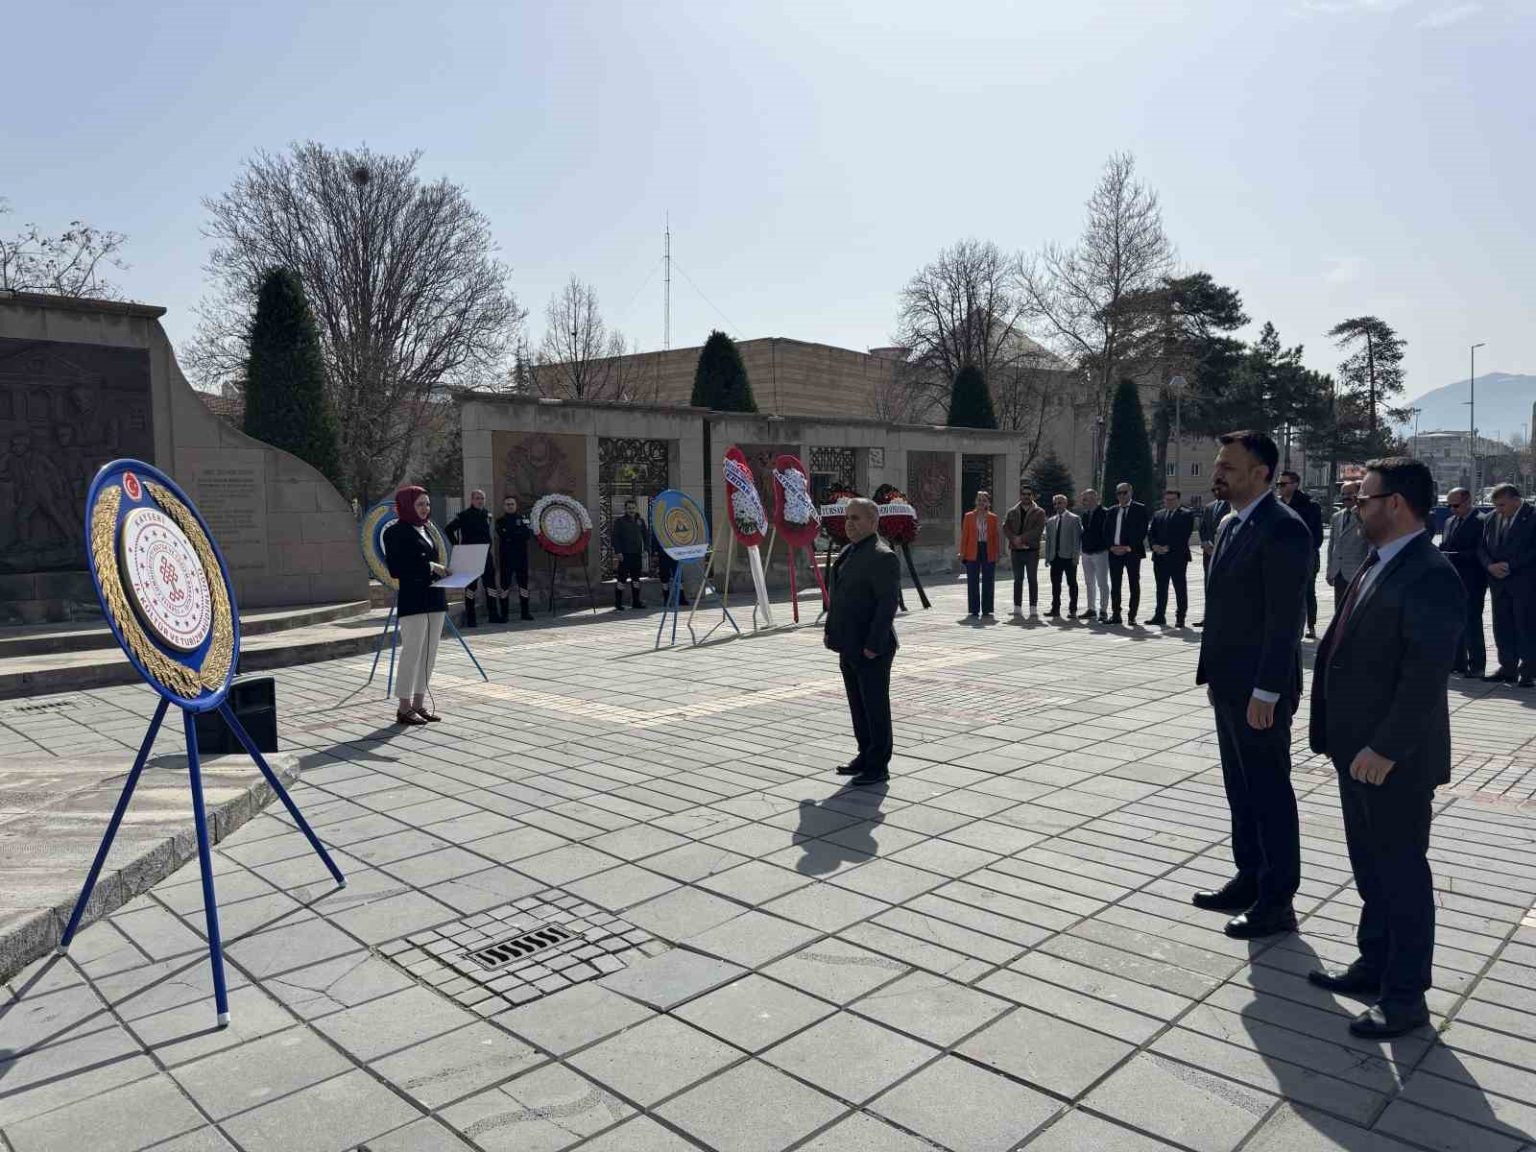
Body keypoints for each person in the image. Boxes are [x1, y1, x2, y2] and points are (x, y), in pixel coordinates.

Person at [1308, 457, 1463, 1039]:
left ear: (1395, 503)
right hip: (1357, 753)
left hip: (1392, 759)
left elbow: (1424, 677)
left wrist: (1386, 747)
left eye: (1363, 499)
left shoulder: (1429, 573)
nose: (1355, 508)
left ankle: (1405, 995)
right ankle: (1374, 963)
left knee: (1400, 875)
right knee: (1370, 867)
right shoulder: (1380, 559)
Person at [1193, 431, 1310, 940]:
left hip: (1261, 691)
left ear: (1261, 473)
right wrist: (1214, 674)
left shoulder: (1283, 528)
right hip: (1228, 682)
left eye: (1228, 467)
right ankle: (1249, 877)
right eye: (1218, 465)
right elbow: (1223, 609)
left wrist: (1267, 691)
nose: (1217, 473)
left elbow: (1284, 619)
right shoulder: (1230, 523)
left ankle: (1277, 900)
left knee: (1268, 792)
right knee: (1240, 789)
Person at [824, 498, 901, 787]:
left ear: (873, 521)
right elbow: (837, 598)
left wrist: (872, 645)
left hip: (872, 648)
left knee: (875, 706)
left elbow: (887, 605)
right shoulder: (848, 551)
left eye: (856, 518)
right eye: (847, 518)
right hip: (848, 644)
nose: (849, 524)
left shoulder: (883, 556)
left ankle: (878, 765)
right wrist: (831, 632)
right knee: (858, 705)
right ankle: (864, 754)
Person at [384, 485, 448, 726]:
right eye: (420, 504)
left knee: (430, 652)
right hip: (413, 599)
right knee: (412, 652)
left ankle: (419, 704)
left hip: (434, 598)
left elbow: (433, 561)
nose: (425, 508)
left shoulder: (427, 529)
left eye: (427, 504)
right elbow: (396, 569)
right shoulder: (395, 532)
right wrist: (431, 567)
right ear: (407, 505)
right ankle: (404, 707)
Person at [1478, 482, 1536, 686]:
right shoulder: (1491, 518)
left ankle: (1528, 670)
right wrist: (1489, 565)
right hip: (1498, 582)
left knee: (1525, 626)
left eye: (1502, 505)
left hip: (1524, 582)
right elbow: (1481, 547)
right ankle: (1507, 667)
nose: (1498, 509)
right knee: (1501, 625)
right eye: (1496, 505)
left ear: (1516, 500)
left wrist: (1511, 565)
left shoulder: (1532, 517)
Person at [1437, 487, 1486, 678]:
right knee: (1454, 621)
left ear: (1467, 501)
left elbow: (1481, 551)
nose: (1452, 509)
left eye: (1455, 505)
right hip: (1452, 579)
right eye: (1448, 505)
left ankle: (1477, 664)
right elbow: (1445, 544)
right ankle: (1458, 662)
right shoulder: (1450, 521)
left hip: (1472, 579)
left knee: (1472, 622)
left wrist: (1456, 555)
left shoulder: (1481, 521)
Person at [1277, 471, 1324, 638]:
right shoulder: (1277, 505)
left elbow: (1317, 537)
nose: (1280, 487)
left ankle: (1310, 625)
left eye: (1283, 484)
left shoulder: (1310, 505)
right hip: (1280, 558)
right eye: (1278, 484)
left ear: (1295, 484)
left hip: (1305, 558)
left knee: (1307, 592)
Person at [444, 490, 493, 628]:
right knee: (471, 587)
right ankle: (471, 618)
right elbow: (448, 529)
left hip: (485, 553)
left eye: (482, 498)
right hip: (471, 553)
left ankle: (493, 614)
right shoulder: (464, 515)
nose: (480, 501)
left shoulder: (487, 514)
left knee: (490, 584)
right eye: (477, 498)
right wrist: (457, 546)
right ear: (471, 500)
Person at [1147, 489, 1194, 628]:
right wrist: (1154, 545)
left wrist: (1169, 547)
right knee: (1161, 588)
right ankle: (1159, 616)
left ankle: (1180, 617)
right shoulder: (1158, 514)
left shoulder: (1186, 514)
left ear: (1178, 500)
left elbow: (1184, 535)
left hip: (1177, 557)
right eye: (1167, 500)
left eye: (1172, 500)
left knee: (1180, 588)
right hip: (1159, 558)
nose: (1169, 502)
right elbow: (1151, 533)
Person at [1106, 482, 1149, 626]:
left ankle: (1132, 616)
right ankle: (1116, 614)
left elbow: (1142, 530)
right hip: (1114, 553)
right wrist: (1111, 547)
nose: (1122, 496)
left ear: (1131, 492)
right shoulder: (1112, 510)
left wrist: (1128, 547)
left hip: (1132, 552)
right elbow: (1106, 531)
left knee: (1133, 584)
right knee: (1115, 585)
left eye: (1124, 492)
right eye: (1119, 493)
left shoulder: (1140, 509)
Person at [491, 494, 536, 623]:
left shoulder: (524, 519)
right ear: (504, 506)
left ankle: (525, 612)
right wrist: (516, 534)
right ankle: (504, 614)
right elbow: (503, 535)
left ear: (516, 506)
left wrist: (512, 534)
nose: (510, 506)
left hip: (521, 558)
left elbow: (527, 535)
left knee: (523, 585)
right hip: (506, 558)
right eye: (508, 504)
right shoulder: (500, 521)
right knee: (505, 586)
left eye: (512, 504)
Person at [1005, 485, 1047, 616]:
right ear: (1020, 495)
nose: (1026, 496)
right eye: (1024, 494)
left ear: (1032, 496)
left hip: (1031, 550)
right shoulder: (1012, 511)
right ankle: (1017, 607)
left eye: (1029, 494)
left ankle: (1033, 607)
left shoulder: (1039, 512)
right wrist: (1014, 539)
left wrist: (1021, 538)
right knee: (1017, 579)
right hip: (1016, 550)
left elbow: (1038, 530)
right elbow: (1005, 527)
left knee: (1032, 579)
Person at [959, 490, 1001, 619]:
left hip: (988, 548)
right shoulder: (969, 516)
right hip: (973, 549)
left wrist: (997, 553)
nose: (981, 502)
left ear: (988, 503)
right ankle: (974, 609)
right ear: (976, 501)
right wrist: (962, 552)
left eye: (984, 500)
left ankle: (987, 609)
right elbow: (964, 536)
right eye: (979, 500)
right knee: (973, 579)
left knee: (988, 579)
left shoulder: (993, 517)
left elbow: (996, 537)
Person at [1326, 482, 1370, 600]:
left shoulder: (1365, 515)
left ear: (1359, 494)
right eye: (1343, 494)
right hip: (1338, 573)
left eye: (1350, 493)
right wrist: (1330, 570)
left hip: (1357, 573)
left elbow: (1370, 545)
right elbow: (1332, 546)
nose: (1346, 497)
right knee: (1339, 608)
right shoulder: (1336, 517)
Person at [1192, 496, 1230, 628]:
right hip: (1208, 553)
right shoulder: (1209, 507)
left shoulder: (1231, 505)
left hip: (1223, 552)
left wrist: (1218, 546)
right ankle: (1208, 616)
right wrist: (1205, 542)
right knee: (1208, 584)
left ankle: (1223, 617)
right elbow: (1203, 528)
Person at [1043, 494, 1081, 618]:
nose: (1057, 506)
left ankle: (1073, 610)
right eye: (1055, 503)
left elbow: (1076, 540)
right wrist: (1047, 557)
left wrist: (1076, 556)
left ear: (1065, 503)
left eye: (1060, 503)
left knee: (1072, 584)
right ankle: (1055, 609)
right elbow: (1049, 541)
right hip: (1055, 557)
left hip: (1069, 557)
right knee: (1055, 585)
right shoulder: (1051, 521)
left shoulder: (1074, 519)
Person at [611, 499, 648, 611]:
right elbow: (615, 538)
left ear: (636, 508)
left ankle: (636, 602)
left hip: (637, 554)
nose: (631, 510)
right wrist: (618, 552)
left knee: (636, 579)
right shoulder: (620, 521)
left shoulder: (640, 521)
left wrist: (645, 549)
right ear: (625, 509)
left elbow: (646, 536)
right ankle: (618, 603)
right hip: (625, 555)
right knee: (622, 579)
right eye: (629, 508)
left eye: (633, 508)